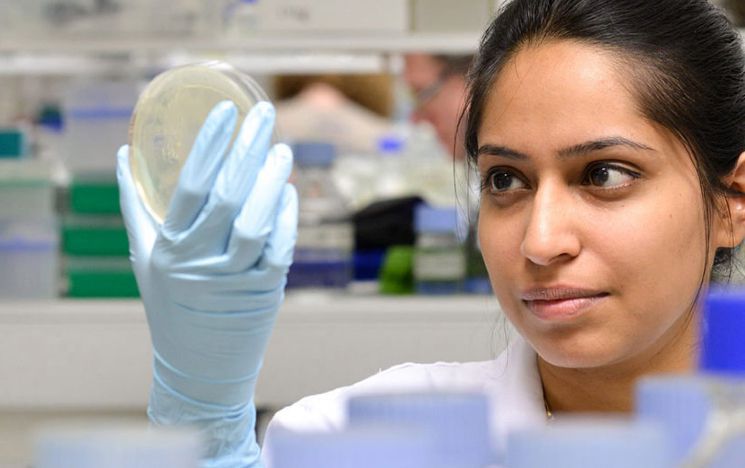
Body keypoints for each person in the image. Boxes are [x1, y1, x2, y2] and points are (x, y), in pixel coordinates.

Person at [116, 0, 745, 466]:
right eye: (505, 180)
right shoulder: (356, 440)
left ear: (731, 201)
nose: (540, 239)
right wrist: (204, 420)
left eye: (603, 174)